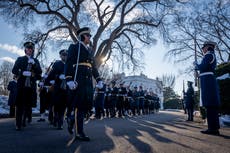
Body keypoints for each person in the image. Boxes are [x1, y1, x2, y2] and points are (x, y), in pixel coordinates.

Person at [65, 27, 103, 141]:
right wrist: (69, 79)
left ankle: (72, 119)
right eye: (88, 35)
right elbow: (69, 62)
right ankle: (79, 132)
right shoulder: (74, 47)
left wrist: (99, 79)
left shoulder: (90, 50)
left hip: (88, 83)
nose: (90, 38)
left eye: (90, 36)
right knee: (79, 106)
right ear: (82, 36)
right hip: (79, 80)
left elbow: (94, 67)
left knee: (86, 106)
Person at [12, 41, 42, 130]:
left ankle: (24, 120)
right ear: (25, 50)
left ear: (33, 50)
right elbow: (14, 70)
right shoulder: (20, 59)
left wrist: (35, 65)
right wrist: (22, 72)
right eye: (28, 48)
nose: (29, 50)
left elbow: (39, 73)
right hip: (21, 85)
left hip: (31, 86)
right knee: (20, 104)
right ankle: (18, 123)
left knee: (28, 105)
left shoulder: (35, 61)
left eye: (31, 49)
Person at [194, 41, 220, 135]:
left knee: (210, 105)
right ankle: (213, 128)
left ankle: (212, 129)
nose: (203, 49)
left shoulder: (209, 55)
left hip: (208, 81)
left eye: (204, 47)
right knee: (210, 105)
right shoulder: (210, 55)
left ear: (208, 47)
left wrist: (197, 65)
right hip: (207, 80)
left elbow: (203, 66)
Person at [47, 49, 68, 129]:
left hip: (66, 88)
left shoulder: (70, 64)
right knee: (56, 105)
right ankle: (55, 119)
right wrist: (57, 77)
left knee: (63, 106)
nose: (64, 56)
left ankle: (60, 122)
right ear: (60, 56)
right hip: (57, 88)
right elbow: (51, 75)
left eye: (66, 55)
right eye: (63, 55)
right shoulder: (56, 64)